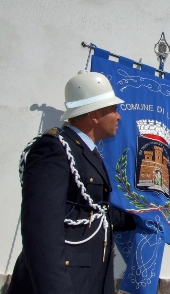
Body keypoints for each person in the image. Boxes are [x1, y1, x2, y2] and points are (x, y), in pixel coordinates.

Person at [7, 70, 136, 294]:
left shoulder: (87, 152)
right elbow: (42, 232)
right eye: (113, 109)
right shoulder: (55, 149)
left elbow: (94, 209)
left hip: (89, 281)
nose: (119, 116)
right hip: (65, 282)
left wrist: (141, 218)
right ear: (94, 115)